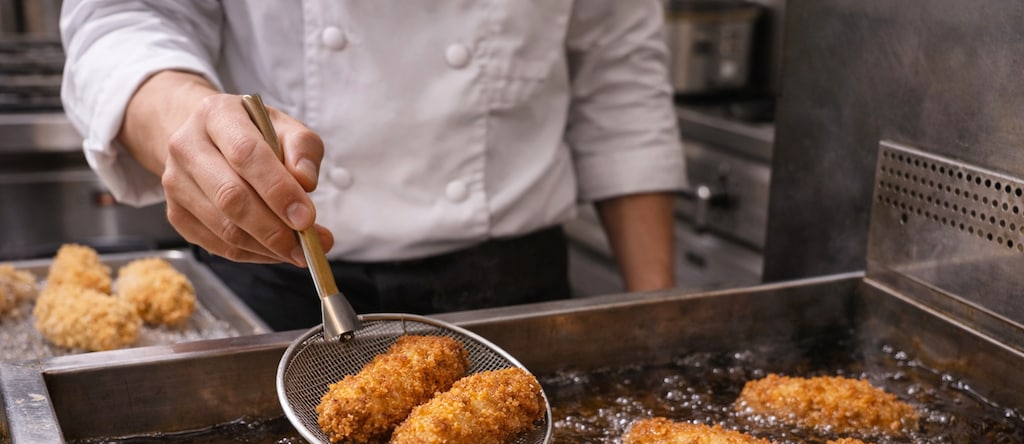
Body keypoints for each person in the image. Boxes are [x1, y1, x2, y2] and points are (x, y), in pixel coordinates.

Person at [59, 1, 686, 331]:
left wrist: (657, 321)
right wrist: (186, 117)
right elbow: (123, 15)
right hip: (278, 273)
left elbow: (619, 72)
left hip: (517, 295)